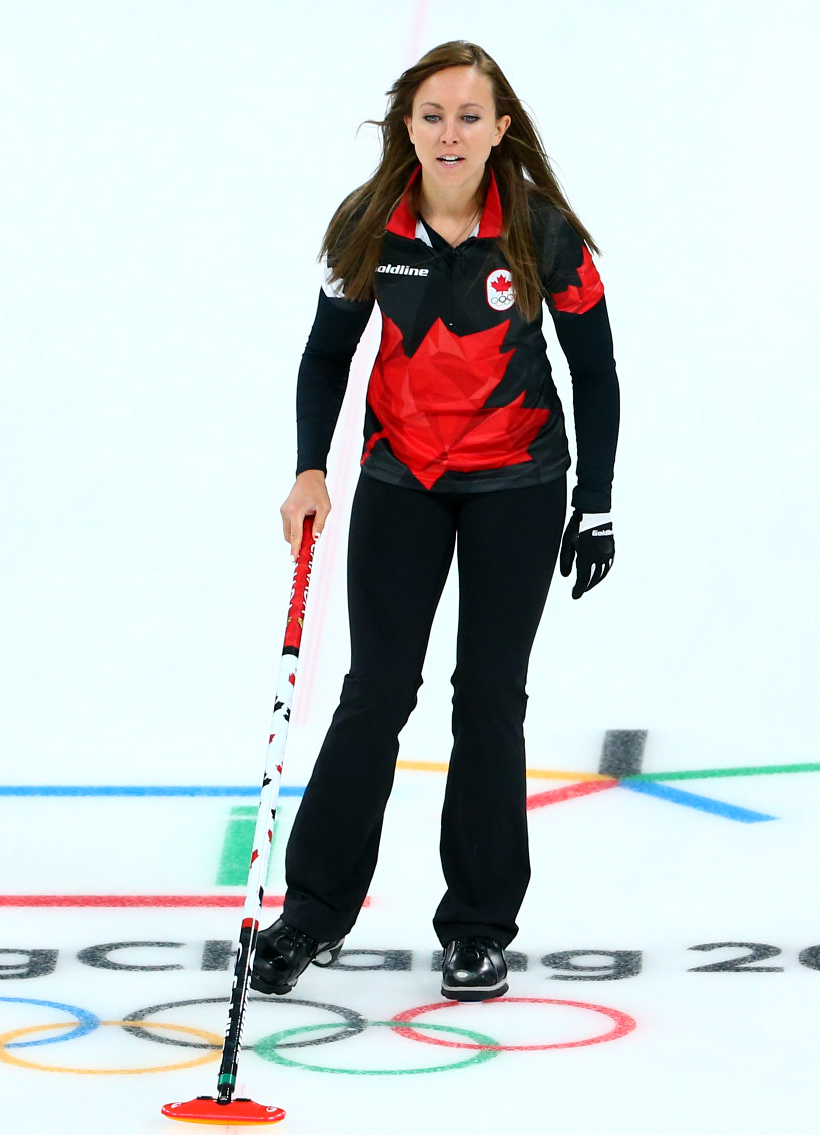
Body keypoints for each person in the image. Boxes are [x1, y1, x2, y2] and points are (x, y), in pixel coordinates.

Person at [251, 40, 620, 1003]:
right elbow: (326, 356)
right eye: (431, 115)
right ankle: (313, 914)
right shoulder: (369, 227)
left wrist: (598, 503)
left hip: (520, 488)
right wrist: (307, 469)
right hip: (401, 481)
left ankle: (477, 929)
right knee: (375, 693)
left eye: (468, 116)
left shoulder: (544, 234)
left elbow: (597, 372)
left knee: (489, 698)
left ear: (501, 129)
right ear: (404, 127)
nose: (449, 133)